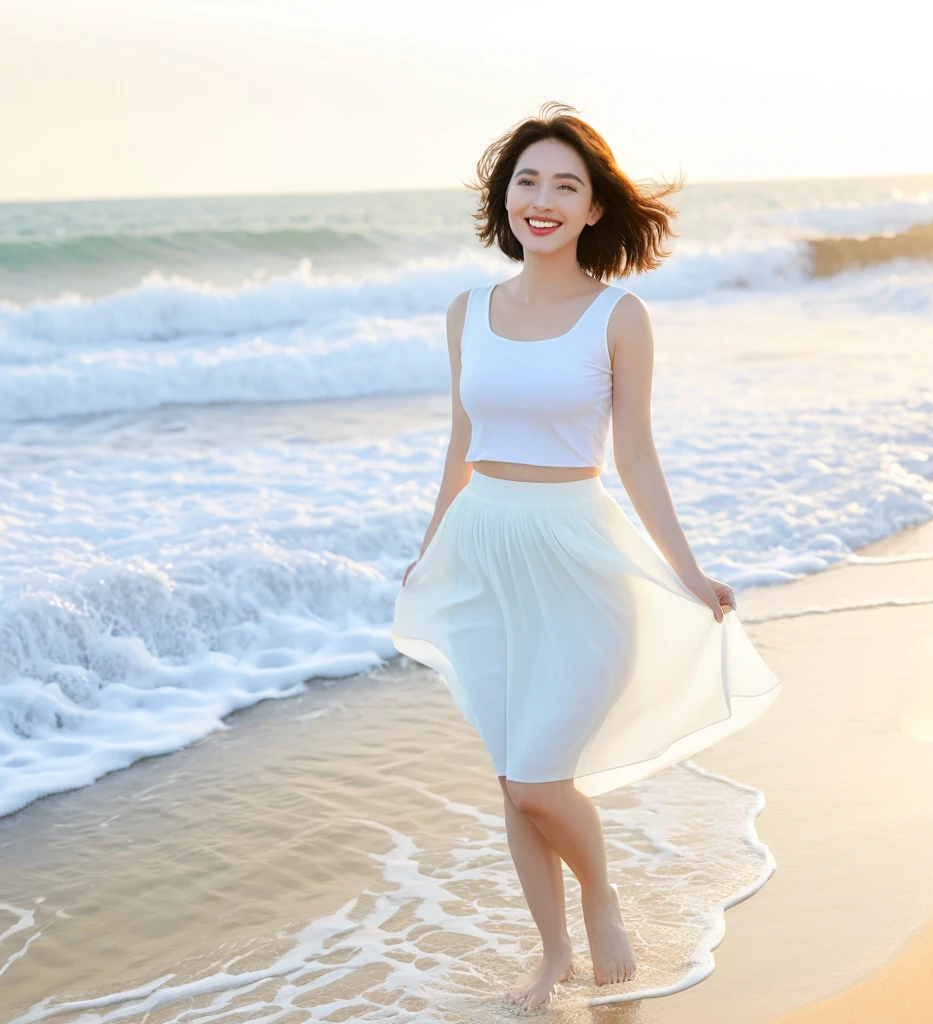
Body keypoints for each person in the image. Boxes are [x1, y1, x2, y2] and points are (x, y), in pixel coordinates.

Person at [391, 101, 780, 1012]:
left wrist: (685, 569)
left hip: (578, 557)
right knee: (513, 782)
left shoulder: (619, 315)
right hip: (484, 554)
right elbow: (461, 438)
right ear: (506, 198)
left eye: (566, 184)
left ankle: (601, 901)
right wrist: (428, 548)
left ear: (595, 208)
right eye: (528, 180)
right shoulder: (468, 312)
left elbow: (637, 454)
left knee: (538, 777)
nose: (544, 198)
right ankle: (551, 951)